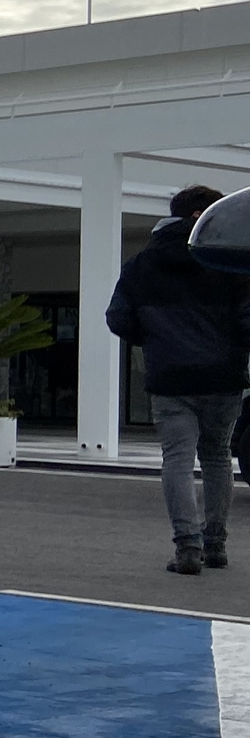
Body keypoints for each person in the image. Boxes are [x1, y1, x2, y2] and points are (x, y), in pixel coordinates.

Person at [107, 184, 250, 574]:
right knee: (218, 456)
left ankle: (187, 548)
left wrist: (157, 341)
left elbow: (118, 318)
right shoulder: (230, 260)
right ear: (200, 218)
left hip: (169, 378)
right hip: (223, 377)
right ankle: (215, 544)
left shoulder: (141, 264)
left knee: (177, 460)